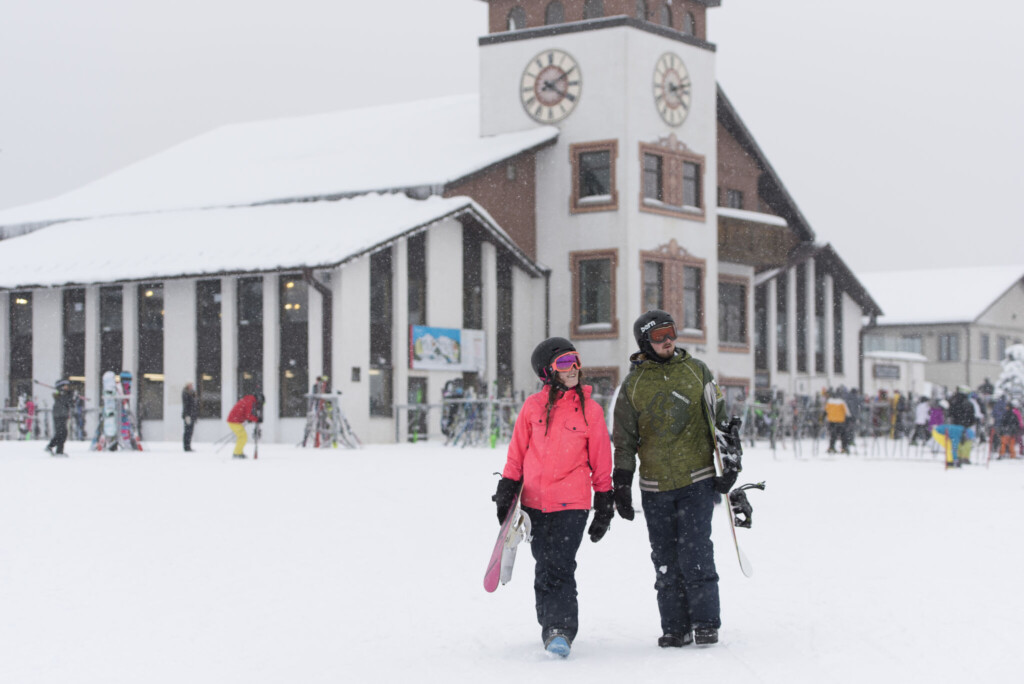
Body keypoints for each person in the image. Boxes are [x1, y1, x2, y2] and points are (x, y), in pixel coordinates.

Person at [611, 310, 740, 649]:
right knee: (666, 560)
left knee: (697, 553)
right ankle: (674, 626)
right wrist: (621, 481)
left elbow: (721, 420)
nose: (667, 340)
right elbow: (624, 438)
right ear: (645, 342)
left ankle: (705, 622)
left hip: (697, 479)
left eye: (671, 332)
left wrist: (730, 463)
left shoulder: (697, 372)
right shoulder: (633, 384)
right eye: (658, 336)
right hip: (654, 487)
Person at [492, 337, 613, 658]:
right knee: (545, 564)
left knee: (559, 565)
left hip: (572, 504)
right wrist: (507, 486)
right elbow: (517, 452)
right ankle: (549, 622)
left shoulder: (592, 411)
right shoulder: (532, 407)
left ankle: (560, 628)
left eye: (575, 361)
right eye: (564, 363)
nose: (573, 368)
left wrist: (604, 502)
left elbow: (602, 461)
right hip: (534, 502)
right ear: (548, 371)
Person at [227, 393, 264, 459]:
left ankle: (238, 452)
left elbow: (245, 413)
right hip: (234, 421)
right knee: (242, 437)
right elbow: (248, 415)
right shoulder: (250, 402)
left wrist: (250, 419)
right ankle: (237, 453)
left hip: (234, 420)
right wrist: (256, 419)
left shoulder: (249, 400)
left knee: (242, 437)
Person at [45, 380, 74, 456]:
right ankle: (51, 446)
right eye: (65, 386)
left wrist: (71, 396)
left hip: (64, 415)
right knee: (60, 433)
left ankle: (59, 450)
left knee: (64, 433)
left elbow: (71, 404)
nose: (67, 387)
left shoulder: (66, 394)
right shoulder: (58, 394)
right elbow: (63, 400)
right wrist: (67, 395)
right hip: (58, 415)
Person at [823, 389, 851, 454]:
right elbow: (847, 412)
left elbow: (826, 411)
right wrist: (849, 419)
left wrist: (823, 418)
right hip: (840, 421)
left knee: (833, 435)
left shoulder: (829, 402)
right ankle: (844, 448)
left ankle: (831, 447)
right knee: (843, 435)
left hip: (832, 421)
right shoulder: (841, 402)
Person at [182, 382, 198, 452]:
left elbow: (194, 405)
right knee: (187, 431)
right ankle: (186, 446)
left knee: (190, 431)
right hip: (188, 415)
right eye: (190, 385)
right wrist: (187, 415)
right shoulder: (185, 393)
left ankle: (188, 446)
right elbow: (187, 405)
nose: (191, 386)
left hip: (192, 415)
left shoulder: (191, 394)